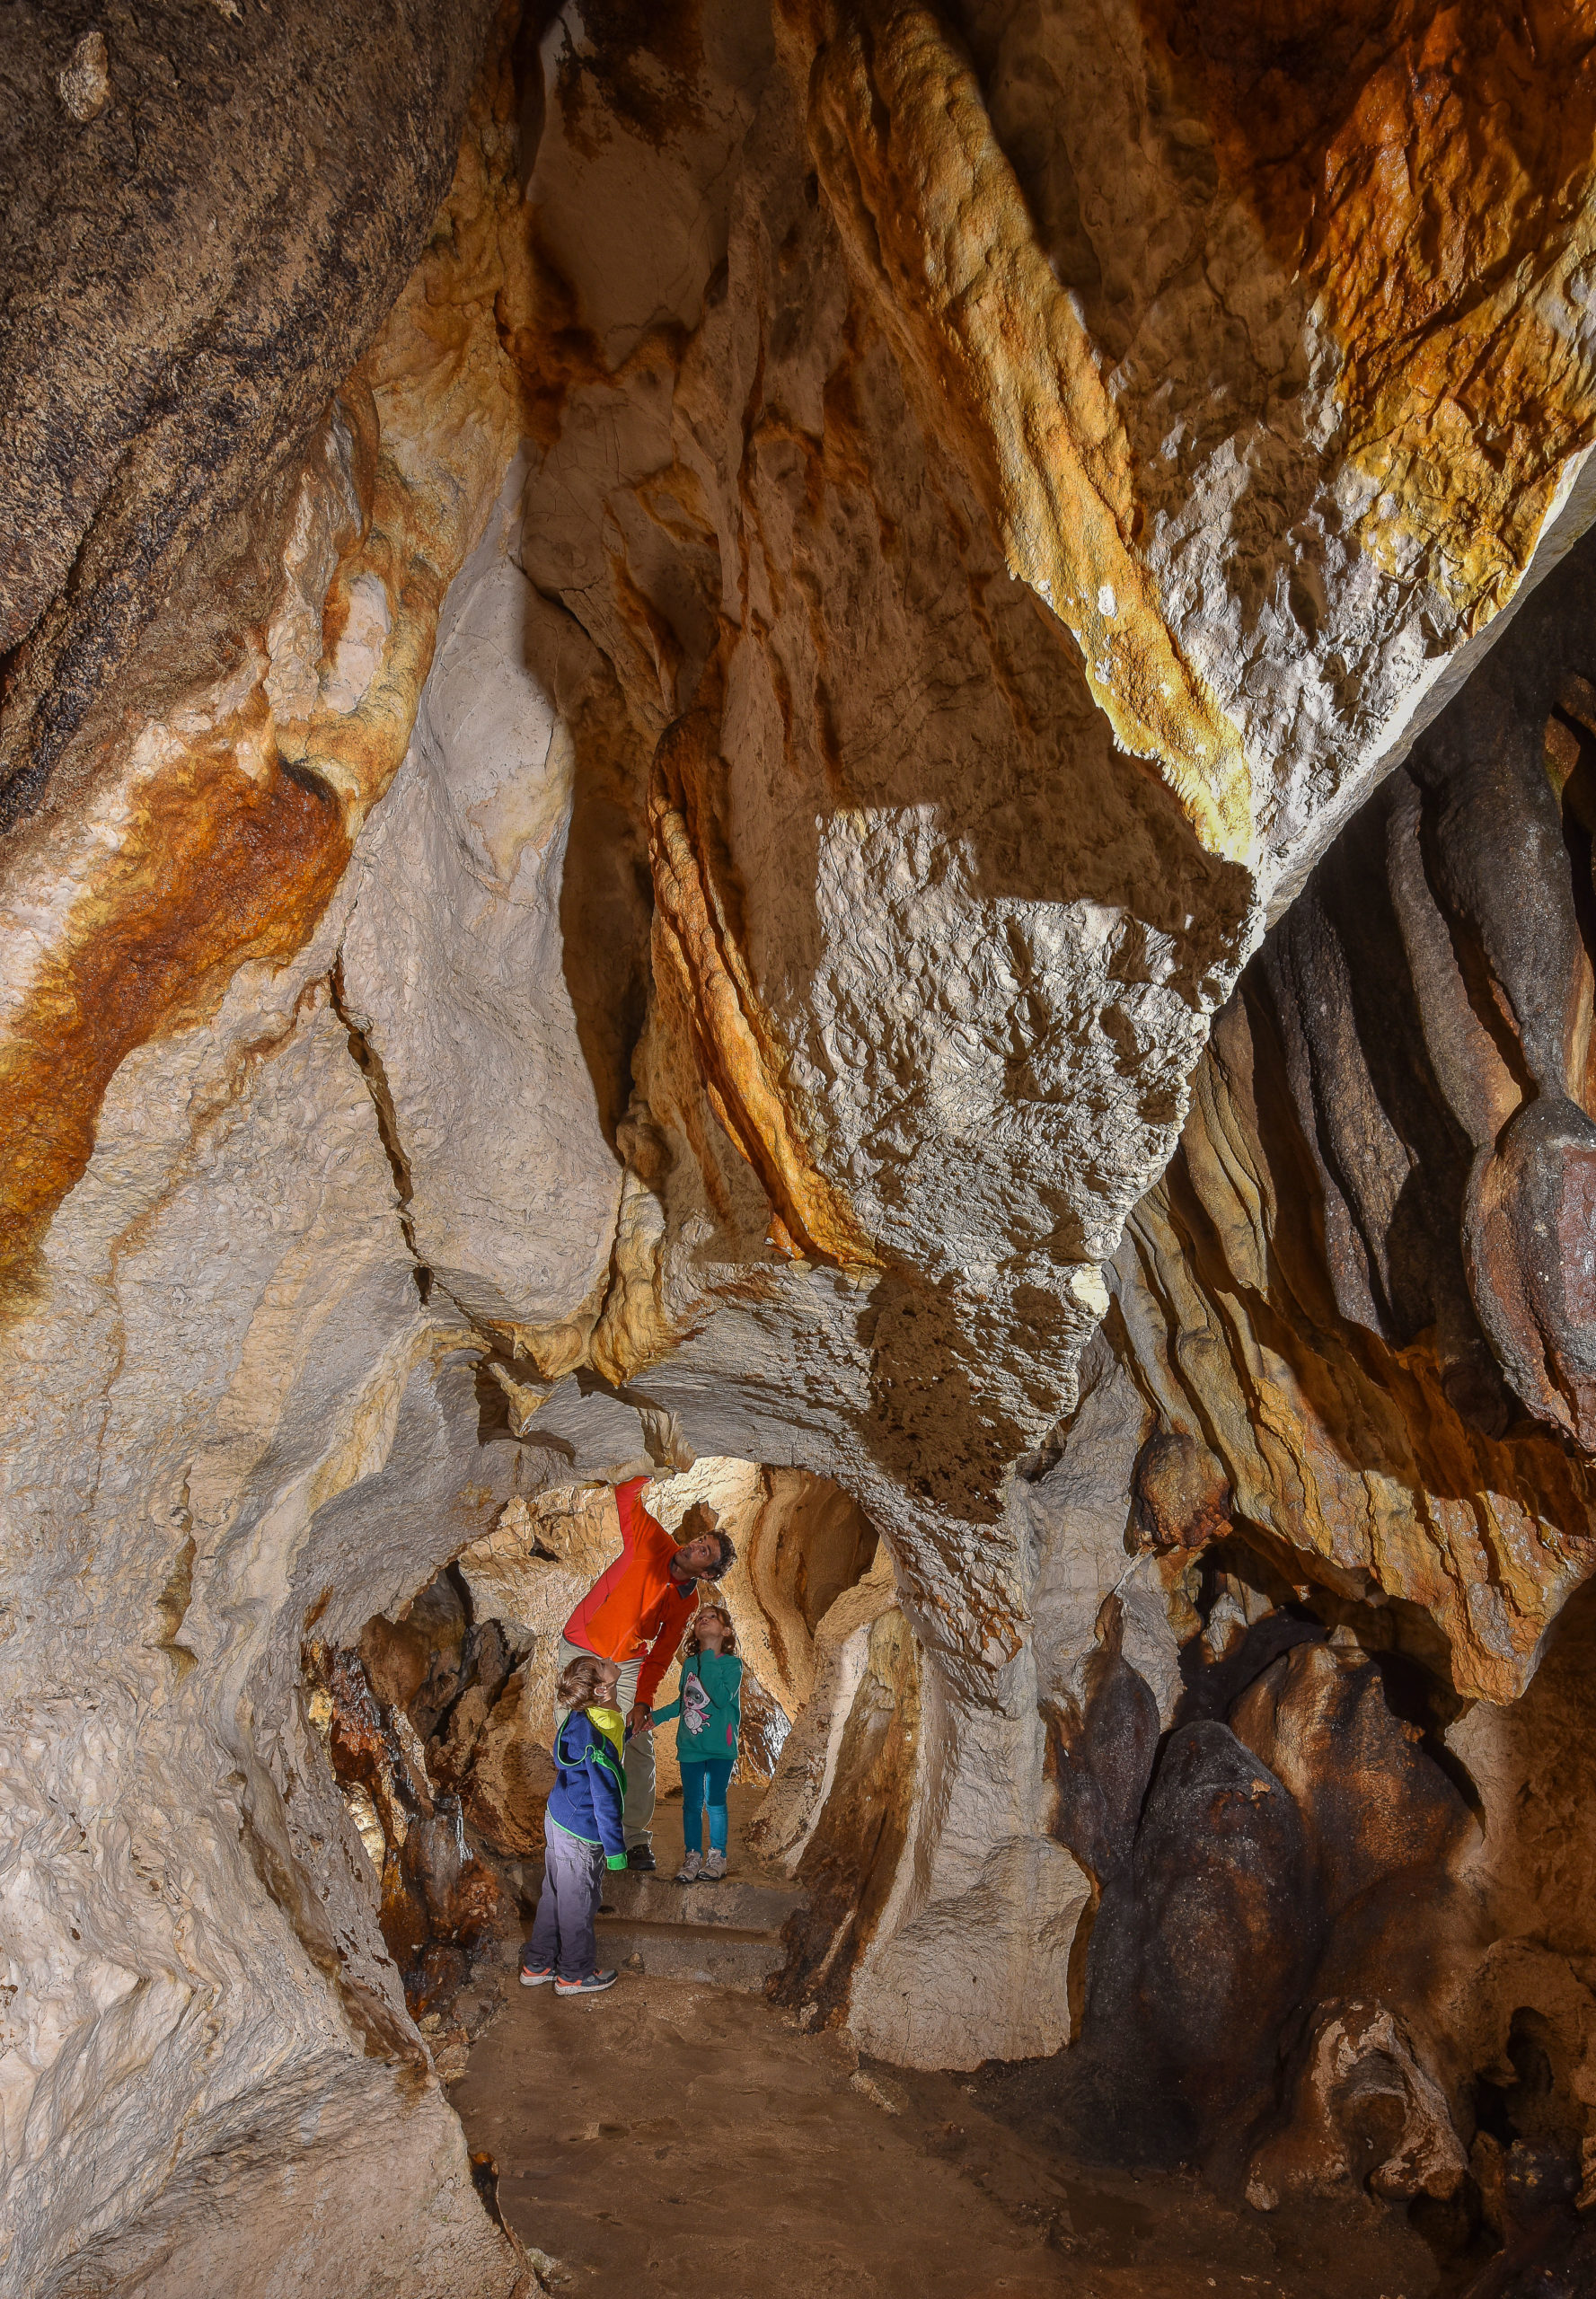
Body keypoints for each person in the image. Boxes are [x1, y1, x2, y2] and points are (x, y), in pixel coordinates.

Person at [558, 1477, 736, 1871]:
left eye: (704, 1551)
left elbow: (660, 1656)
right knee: (573, 1738)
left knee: (638, 1743)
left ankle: (633, 1837)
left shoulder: (686, 1602)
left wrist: (643, 1701)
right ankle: (577, 1831)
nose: (695, 1545)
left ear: (706, 1574)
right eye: (701, 1539)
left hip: (629, 1662)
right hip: (583, 1644)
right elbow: (626, 1495)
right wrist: (655, 1468)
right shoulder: (651, 1540)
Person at [519, 1652, 629, 1996]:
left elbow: (611, 1736)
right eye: (602, 1664)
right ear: (601, 1689)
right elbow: (605, 1796)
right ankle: (574, 1973)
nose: (609, 1659)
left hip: (560, 1815)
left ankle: (539, 1963)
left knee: (555, 1893)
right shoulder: (594, 1738)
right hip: (580, 1828)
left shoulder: (583, 1717)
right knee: (578, 1900)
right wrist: (615, 1850)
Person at [650, 1603, 743, 1883]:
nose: (704, 1619)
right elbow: (685, 1700)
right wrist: (656, 1717)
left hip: (720, 1747)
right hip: (690, 1745)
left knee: (715, 1801)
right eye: (701, 1617)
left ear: (726, 1631)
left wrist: (708, 1656)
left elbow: (720, 1697)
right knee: (691, 1803)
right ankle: (692, 1856)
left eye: (712, 1617)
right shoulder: (690, 1664)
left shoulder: (731, 1665)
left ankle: (717, 1857)